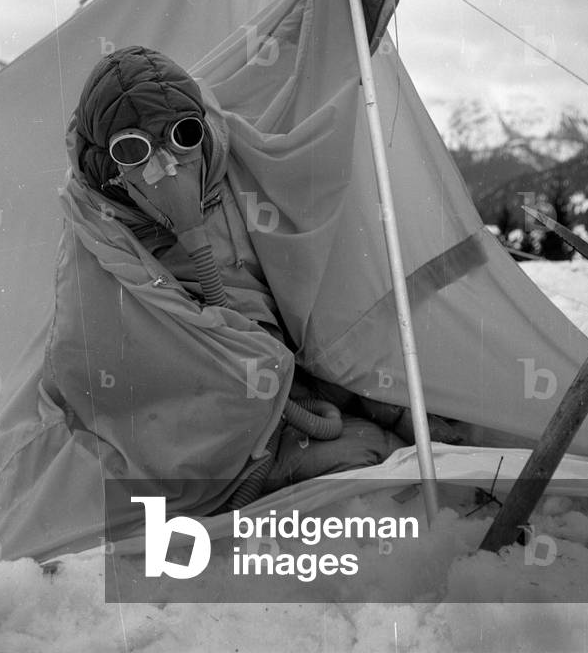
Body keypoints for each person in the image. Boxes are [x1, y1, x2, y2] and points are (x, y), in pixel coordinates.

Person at [54, 44, 457, 507]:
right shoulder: (102, 239)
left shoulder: (239, 168)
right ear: (106, 168)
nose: (166, 165)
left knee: (413, 404)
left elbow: (317, 207)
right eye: (133, 150)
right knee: (366, 462)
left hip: (301, 368)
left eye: (182, 134)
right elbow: (98, 361)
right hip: (235, 414)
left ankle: (406, 418)